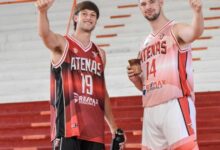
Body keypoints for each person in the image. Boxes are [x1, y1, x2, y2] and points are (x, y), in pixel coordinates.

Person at [35, 0, 125, 149]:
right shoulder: (63, 44)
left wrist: (114, 128)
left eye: (93, 15)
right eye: (84, 14)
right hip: (68, 127)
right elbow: (45, 35)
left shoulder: (100, 54)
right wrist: (42, 12)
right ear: (75, 18)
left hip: (95, 131)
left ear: (96, 20)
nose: (89, 17)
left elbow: (102, 93)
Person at [127, 0, 204, 149]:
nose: (148, 7)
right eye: (143, 4)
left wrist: (197, 12)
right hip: (150, 108)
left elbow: (195, 32)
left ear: (161, 2)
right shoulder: (144, 44)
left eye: (151, 2)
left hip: (175, 103)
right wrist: (135, 80)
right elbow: (144, 87)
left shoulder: (175, 29)